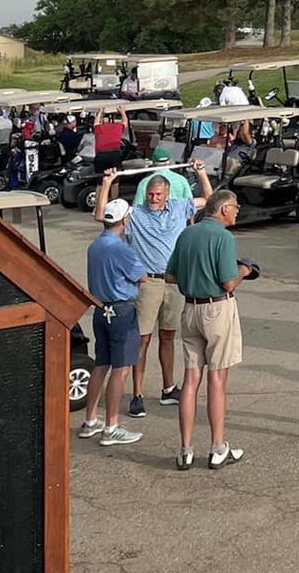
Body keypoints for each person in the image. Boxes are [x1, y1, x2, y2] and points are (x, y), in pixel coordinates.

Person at [99, 159, 212, 418]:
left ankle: (168, 387)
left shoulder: (179, 207)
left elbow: (210, 200)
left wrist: (201, 172)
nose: (153, 198)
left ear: (167, 194)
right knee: (143, 339)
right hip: (147, 282)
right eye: (150, 194)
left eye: (158, 194)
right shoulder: (135, 214)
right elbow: (101, 215)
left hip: (173, 282)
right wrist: (107, 183)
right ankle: (137, 394)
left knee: (168, 335)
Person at [163, 190, 252, 470]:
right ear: (224, 209)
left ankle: (185, 449)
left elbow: (170, 274)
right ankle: (217, 446)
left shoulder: (187, 234)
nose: (237, 211)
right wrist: (245, 271)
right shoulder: (223, 237)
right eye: (235, 207)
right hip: (216, 308)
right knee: (217, 379)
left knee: (190, 380)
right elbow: (228, 282)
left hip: (190, 308)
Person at [79, 198, 149, 447]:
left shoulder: (95, 246)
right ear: (125, 221)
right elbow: (142, 277)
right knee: (121, 368)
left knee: (101, 364)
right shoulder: (121, 249)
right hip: (121, 310)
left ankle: (90, 420)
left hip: (100, 310)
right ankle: (112, 425)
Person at [92, 108, 128, 173]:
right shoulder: (117, 127)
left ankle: (100, 182)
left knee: (100, 175)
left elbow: (96, 123)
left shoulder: (99, 128)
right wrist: (123, 112)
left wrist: (100, 112)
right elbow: (125, 122)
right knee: (114, 175)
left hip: (101, 156)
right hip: (114, 155)